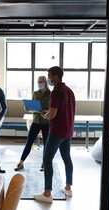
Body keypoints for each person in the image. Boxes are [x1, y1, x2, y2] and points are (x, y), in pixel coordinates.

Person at [34, 66, 76, 203]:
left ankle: (47, 193)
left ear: (56, 76)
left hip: (57, 131)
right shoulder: (69, 91)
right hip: (68, 131)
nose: (48, 79)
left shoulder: (56, 92)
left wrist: (44, 115)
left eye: (49, 76)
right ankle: (68, 188)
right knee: (66, 158)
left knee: (47, 159)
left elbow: (52, 114)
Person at [15, 76, 50, 171]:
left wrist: (46, 111)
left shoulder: (50, 94)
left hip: (46, 122)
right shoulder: (35, 93)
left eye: (41, 82)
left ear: (45, 83)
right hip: (36, 121)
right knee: (29, 142)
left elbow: (52, 109)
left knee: (46, 144)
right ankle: (21, 162)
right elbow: (34, 109)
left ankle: (44, 163)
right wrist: (28, 109)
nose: (39, 83)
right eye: (38, 82)